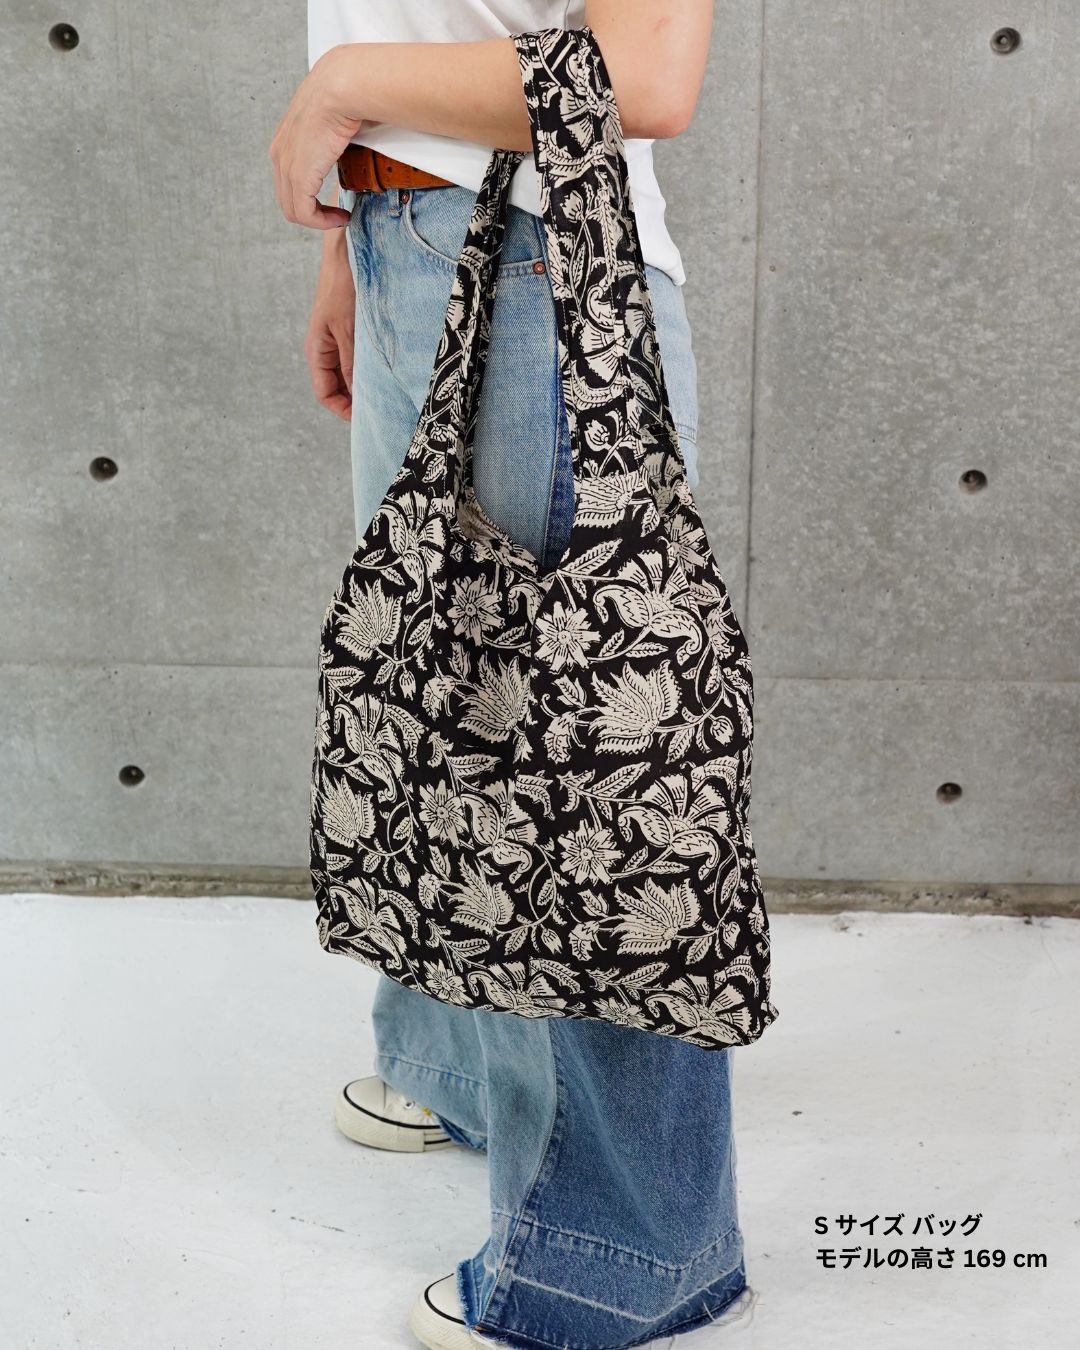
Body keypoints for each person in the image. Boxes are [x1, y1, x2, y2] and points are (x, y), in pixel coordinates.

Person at [270, 4, 758, 1347]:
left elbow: (648, 70)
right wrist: (360, 243)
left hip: (548, 266)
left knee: (584, 787)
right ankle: (462, 1069)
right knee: (436, 717)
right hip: (417, 241)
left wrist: (347, 87)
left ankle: (622, 1247)